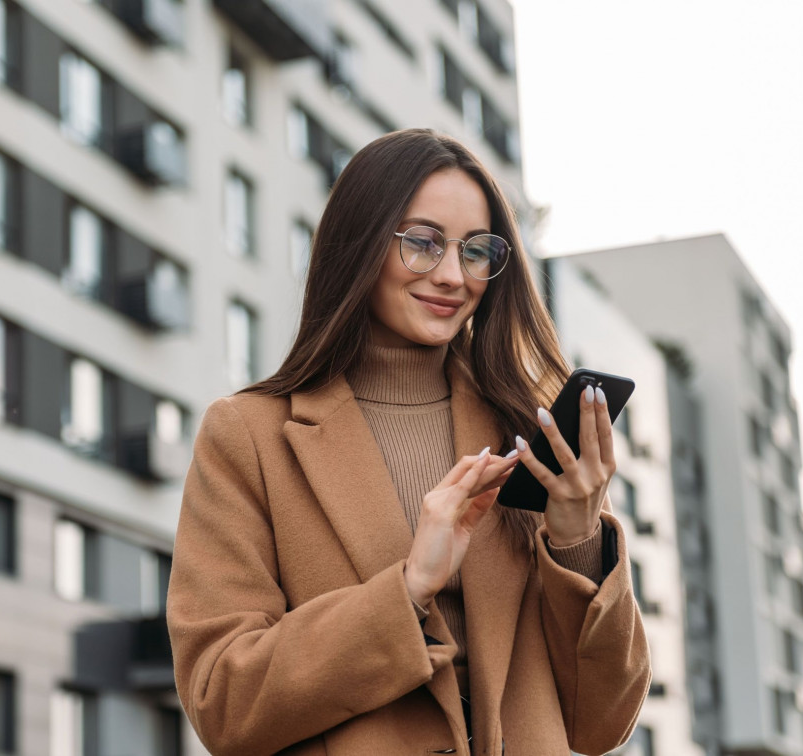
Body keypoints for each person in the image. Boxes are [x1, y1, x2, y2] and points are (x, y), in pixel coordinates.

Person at [166, 129, 650, 756]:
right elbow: (222, 702)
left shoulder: (529, 434)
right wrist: (408, 588)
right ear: (361, 243)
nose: (452, 275)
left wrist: (579, 541)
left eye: (476, 251)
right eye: (422, 242)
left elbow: (601, 724)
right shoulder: (249, 437)